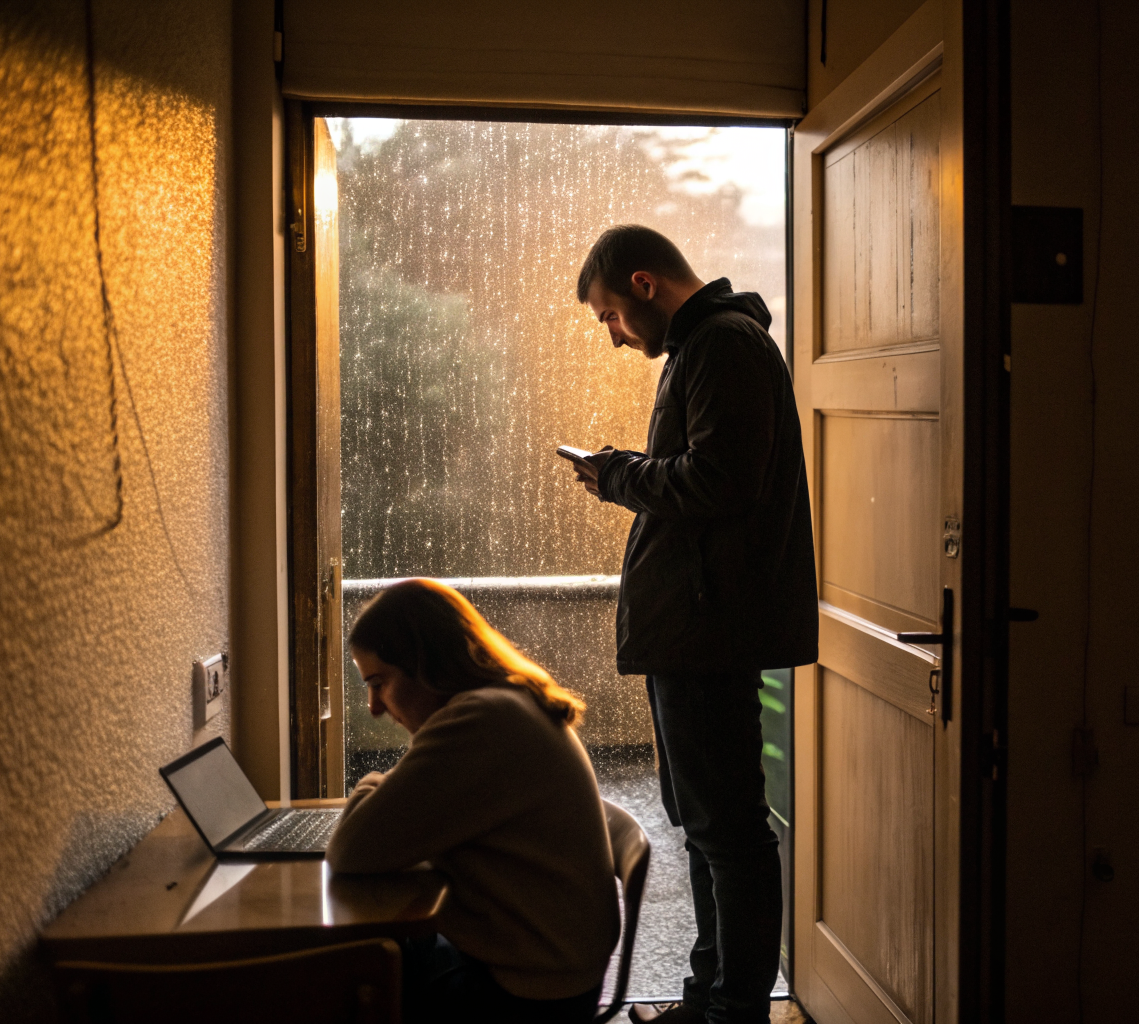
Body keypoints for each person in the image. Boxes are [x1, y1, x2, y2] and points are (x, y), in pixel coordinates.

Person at [566, 225, 818, 1024]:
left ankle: (730, 1012)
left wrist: (615, 474)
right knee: (708, 827)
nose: (612, 337)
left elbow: (719, 480)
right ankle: (708, 1001)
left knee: (729, 833)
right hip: (697, 631)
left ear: (644, 285)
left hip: (709, 633)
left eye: (609, 315)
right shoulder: (707, 348)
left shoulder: (724, 347)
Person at [327, 578, 620, 1024]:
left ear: (424, 664)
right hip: (550, 973)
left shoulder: (482, 720)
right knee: (381, 949)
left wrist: (371, 782)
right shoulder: (505, 704)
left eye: (379, 682)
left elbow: (351, 849)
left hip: (526, 997)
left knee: (352, 968)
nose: (374, 707)